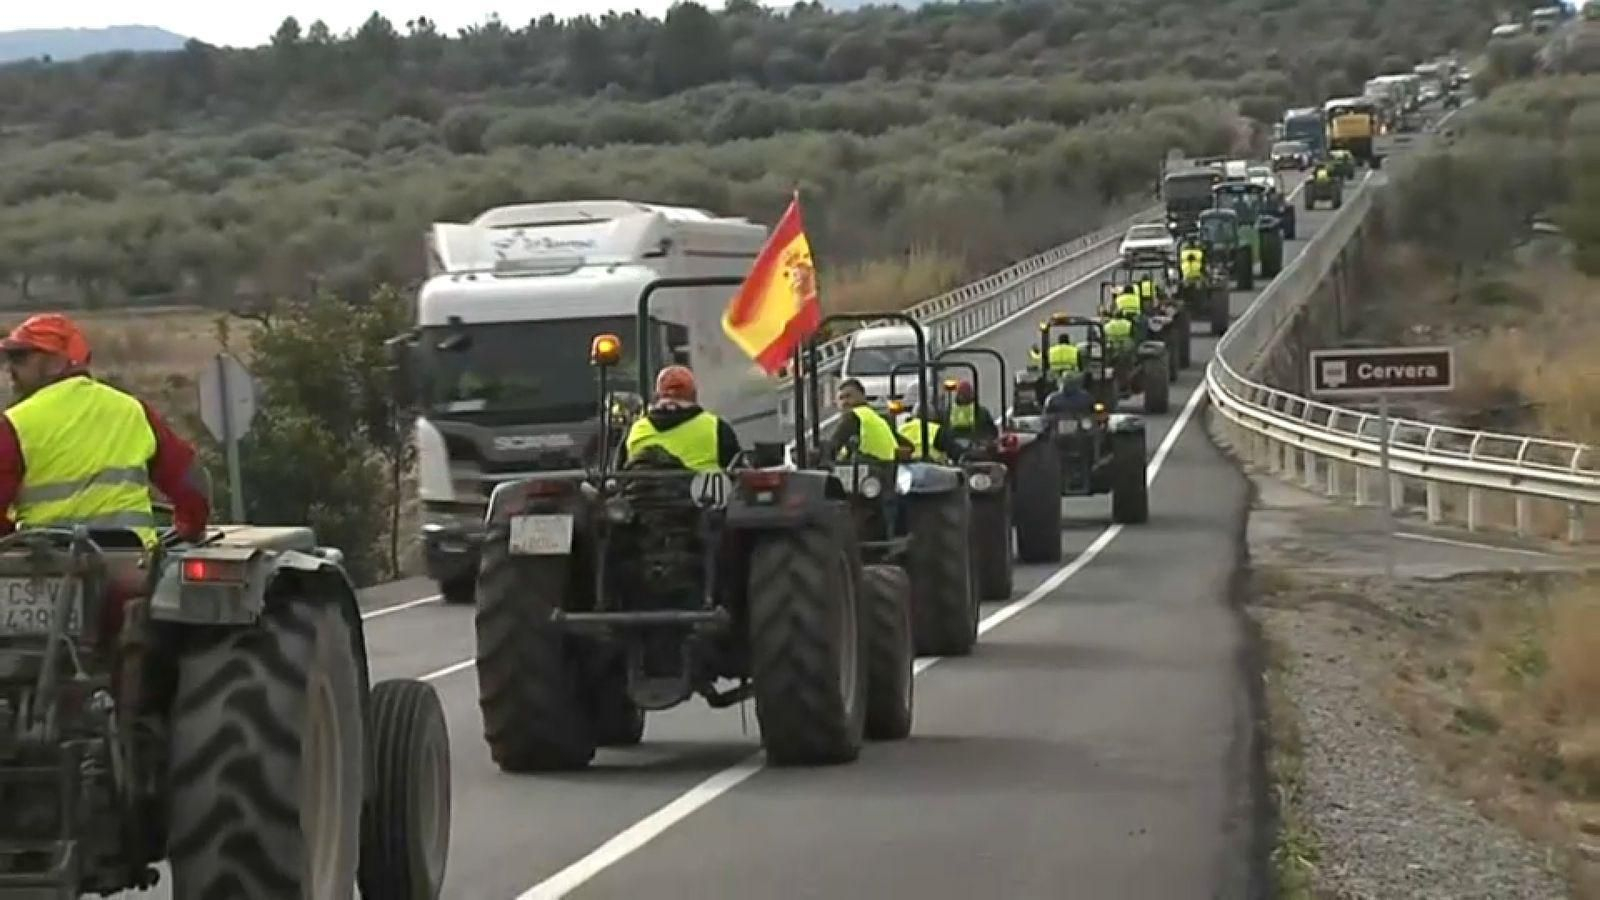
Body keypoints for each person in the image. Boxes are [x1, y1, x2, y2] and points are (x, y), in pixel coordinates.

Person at [0, 313, 210, 548]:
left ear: (54, 362)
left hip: (46, 561)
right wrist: (190, 528)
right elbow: (191, 480)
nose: (10, 369)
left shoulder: (16, 423)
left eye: (20, 358)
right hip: (132, 558)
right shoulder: (132, 410)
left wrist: (11, 543)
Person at [619, 365, 741, 472]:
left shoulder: (635, 430)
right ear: (694, 394)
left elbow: (619, 473)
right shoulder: (716, 427)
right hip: (700, 492)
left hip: (643, 492)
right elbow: (737, 473)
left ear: (658, 395)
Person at [822, 377, 906, 463]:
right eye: (841, 398)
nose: (844, 402)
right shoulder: (879, 417)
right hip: (889, 467)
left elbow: (832, 447)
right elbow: (907, 445)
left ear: (862, 395)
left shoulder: (853, 416)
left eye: (848, 396)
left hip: (870, 468)